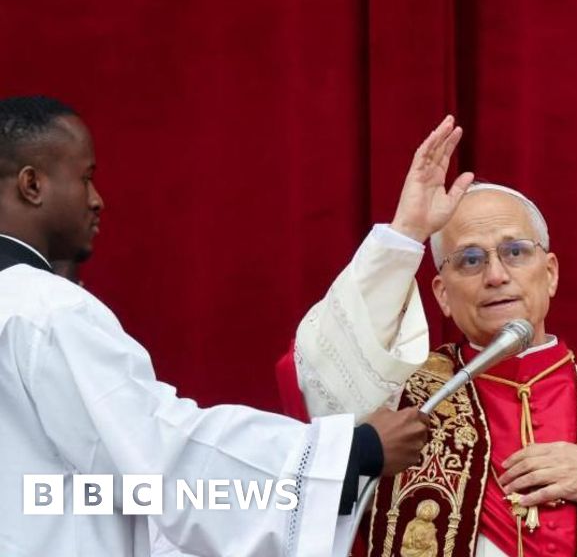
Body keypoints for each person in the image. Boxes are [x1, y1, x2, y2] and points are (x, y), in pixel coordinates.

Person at [0, 95, 428, 556]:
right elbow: (160, 458)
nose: (97, 199)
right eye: (86, 178)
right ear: (32, 184)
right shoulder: (45, 311)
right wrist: (351, 453)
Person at [278, 116, 577, 556]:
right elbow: (319, 374)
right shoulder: (400, 403)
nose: (496, 275)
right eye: (470, 260)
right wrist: (406, 232)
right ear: (442, 294)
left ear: (550, 274)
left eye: (515, 252)